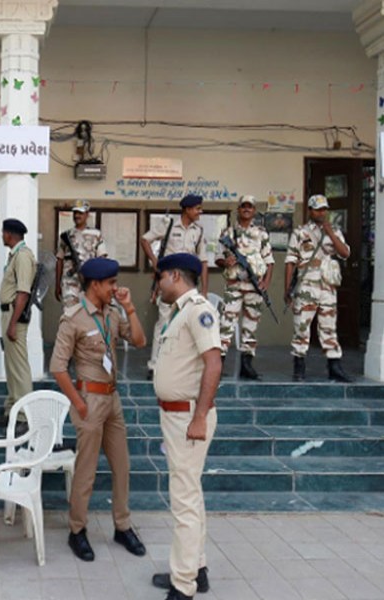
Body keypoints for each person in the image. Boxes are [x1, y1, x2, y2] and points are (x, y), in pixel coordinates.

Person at [49, 257, 147, 563]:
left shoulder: (113, 314)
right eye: (111, 283)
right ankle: (77, 530)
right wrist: (78, 403)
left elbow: (141, 341)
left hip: (112, 400)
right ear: (95, 285)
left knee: (122, 467)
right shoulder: (74, 318)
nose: (115, 288)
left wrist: (130, 308)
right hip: (88, 400)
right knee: (87, 471)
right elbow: (57, 367)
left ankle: (122, 526)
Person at [150, 253, 221, 600]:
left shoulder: (198, 310)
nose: (158, 284)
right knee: (191, 494)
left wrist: (199, 417)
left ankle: (183, 586)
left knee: (184, 502)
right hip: (176, 416)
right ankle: (196, 569)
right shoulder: (179, 313)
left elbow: (213, 364)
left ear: (175, 275)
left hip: (188, 418)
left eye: (161, 277)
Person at [285, 194, 352, 382]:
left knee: (329, 327)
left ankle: (334, 367)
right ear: (310, 210)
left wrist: (330, 233)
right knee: (302, 327)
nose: (322, 213)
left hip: (327, 287)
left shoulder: (335, 231)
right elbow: (290, 261)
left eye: (324, 209)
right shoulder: (300, 232)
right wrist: (287, 289)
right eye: (318, 209)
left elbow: (345, 253)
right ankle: (299, 368)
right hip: (306, 285)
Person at [141, 194, 209, 378]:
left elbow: (203, 260)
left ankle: (180, 365)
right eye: (197, 209)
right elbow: (145, 240)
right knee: (164, 321)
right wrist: (155, 262)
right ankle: (154, 366)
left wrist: (204, 289)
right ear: (187, 209)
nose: (200, 212)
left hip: (189, 283)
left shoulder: (199, 230)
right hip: (170, 280)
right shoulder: (168, 224)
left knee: (187, 322)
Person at [214, 195, 274, 379]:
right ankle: (218, 364)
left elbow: (269, 261)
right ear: (238, 209)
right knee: (226, 325)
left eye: (250, 206)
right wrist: (226, 261)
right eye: (243, 206)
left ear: (254, 211)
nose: (247, 209)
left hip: (254, 288)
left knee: (251, 326)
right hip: (234, 286)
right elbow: (217, 258)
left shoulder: (261, 234)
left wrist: (265, 283)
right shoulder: (227, 233)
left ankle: (247, 365)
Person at [0, 219, 36, 433]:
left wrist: (13, 323)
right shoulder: (16, 255)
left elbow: (23, 293)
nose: (2, 237)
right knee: (11, 366)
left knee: (19, 368)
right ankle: (12, 411)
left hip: (14, 316)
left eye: (3, 233)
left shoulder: (24, 257)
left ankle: (25, 416)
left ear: (9, 235)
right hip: (8, 314)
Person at [55, 200, 108, 307]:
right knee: (70, 314)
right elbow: (60, 260)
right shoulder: (66, 235)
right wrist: (57, 285)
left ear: (87, 214)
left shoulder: (96, 234)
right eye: (75, 213)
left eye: (80, 213)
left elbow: (102, 260)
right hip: (69, 283)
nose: (77, 216)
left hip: (89, 282)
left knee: (89, 314)